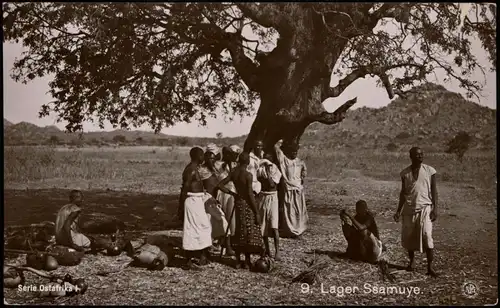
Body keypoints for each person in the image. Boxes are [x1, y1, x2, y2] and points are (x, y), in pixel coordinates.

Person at [393, 147, 439, 277]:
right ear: (411, 157)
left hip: (425, 208)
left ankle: (430, 267)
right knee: (409, 237)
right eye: (417, 155)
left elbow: (434, 191)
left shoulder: (430, 171)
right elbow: (403, 193)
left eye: (421, 154)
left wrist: (435, 208)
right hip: (409, 209)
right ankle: (412, 262)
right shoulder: (405, 173)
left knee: (427, 236)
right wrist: (398, 210)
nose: (420, 156)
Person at [217, 152, 265, 269]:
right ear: (247, 161)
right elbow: (249, 194)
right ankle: (247, 261)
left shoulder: (234, 172)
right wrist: (256, 212)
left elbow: (220, 185)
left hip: (238, 203)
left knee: (239, 231)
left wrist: (233, 194)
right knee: (248, 233)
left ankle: (238, 260)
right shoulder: (248, 175)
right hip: (247, 205)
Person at [180, 147, 212, 269]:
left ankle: (202, 255)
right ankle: (188, 260)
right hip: (192, 201)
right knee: (192, 230)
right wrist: (181, 207)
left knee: (203, 226)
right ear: (198, 156)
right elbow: (185, 188)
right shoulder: (190, 170)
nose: (203, 157)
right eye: (202, 155)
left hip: (197, 201)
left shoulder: (194, 169)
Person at [274, 140, 308, 238]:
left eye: (295, 152)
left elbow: (303, 173)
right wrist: (279, 142)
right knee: (290, 211)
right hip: (289, 189)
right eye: (292, 152)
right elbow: (277, 151)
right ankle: (291, 231)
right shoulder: (285, 161)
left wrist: (302, 178)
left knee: (299, 210)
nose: (294, 154)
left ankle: (299, 229)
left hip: (298, 190)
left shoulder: (300, 162)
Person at [216, 145, 241, 256]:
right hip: (223, 193)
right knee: (224, 218)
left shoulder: (235, 165)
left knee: (232, 220)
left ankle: (229, 244)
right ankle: (226, 245)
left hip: (232, 192)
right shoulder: (219, 165)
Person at [256, 152, 282, 260]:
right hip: (263, 196)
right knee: (263, 226)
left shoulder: (275, 169)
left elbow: (272, 184)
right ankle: (267, 249)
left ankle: (277, 251)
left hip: (272, 197)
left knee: (274, 226)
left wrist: (268, 172)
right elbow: (259, 182)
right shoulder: (260, 169)